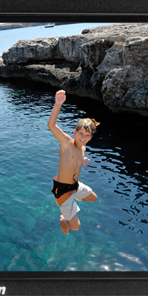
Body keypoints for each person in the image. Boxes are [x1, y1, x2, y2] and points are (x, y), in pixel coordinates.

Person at [47, 90, 99, 234]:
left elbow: (74, 161)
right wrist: (58, 104)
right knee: (75, 226)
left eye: (87, 135)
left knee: (93, 198)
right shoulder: (67, 143)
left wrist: (83, 161)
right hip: (63, 191)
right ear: (75, 133)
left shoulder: (83, 149)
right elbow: (51, 125)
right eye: (81, 133)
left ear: (90, 137)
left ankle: (73, 201)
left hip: (75, 186)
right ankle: (63, 221)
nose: (83, 137)